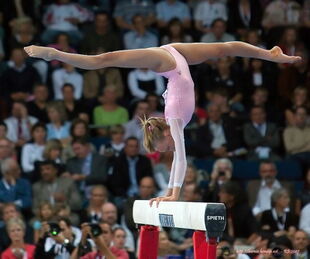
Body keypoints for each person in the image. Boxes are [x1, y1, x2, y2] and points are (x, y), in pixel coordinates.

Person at [24, 40, 301, 205]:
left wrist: (174, 194)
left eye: (163, 147)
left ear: (164, 135)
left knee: (104, 60)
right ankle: (269, 55)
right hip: (176, 56)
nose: (167, 149)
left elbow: (182, 160)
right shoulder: (173, 122)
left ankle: (55, 54)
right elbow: (177, 159)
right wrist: (168, 192)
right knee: (224, 49)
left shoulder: (175, 121)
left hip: (166, 61)